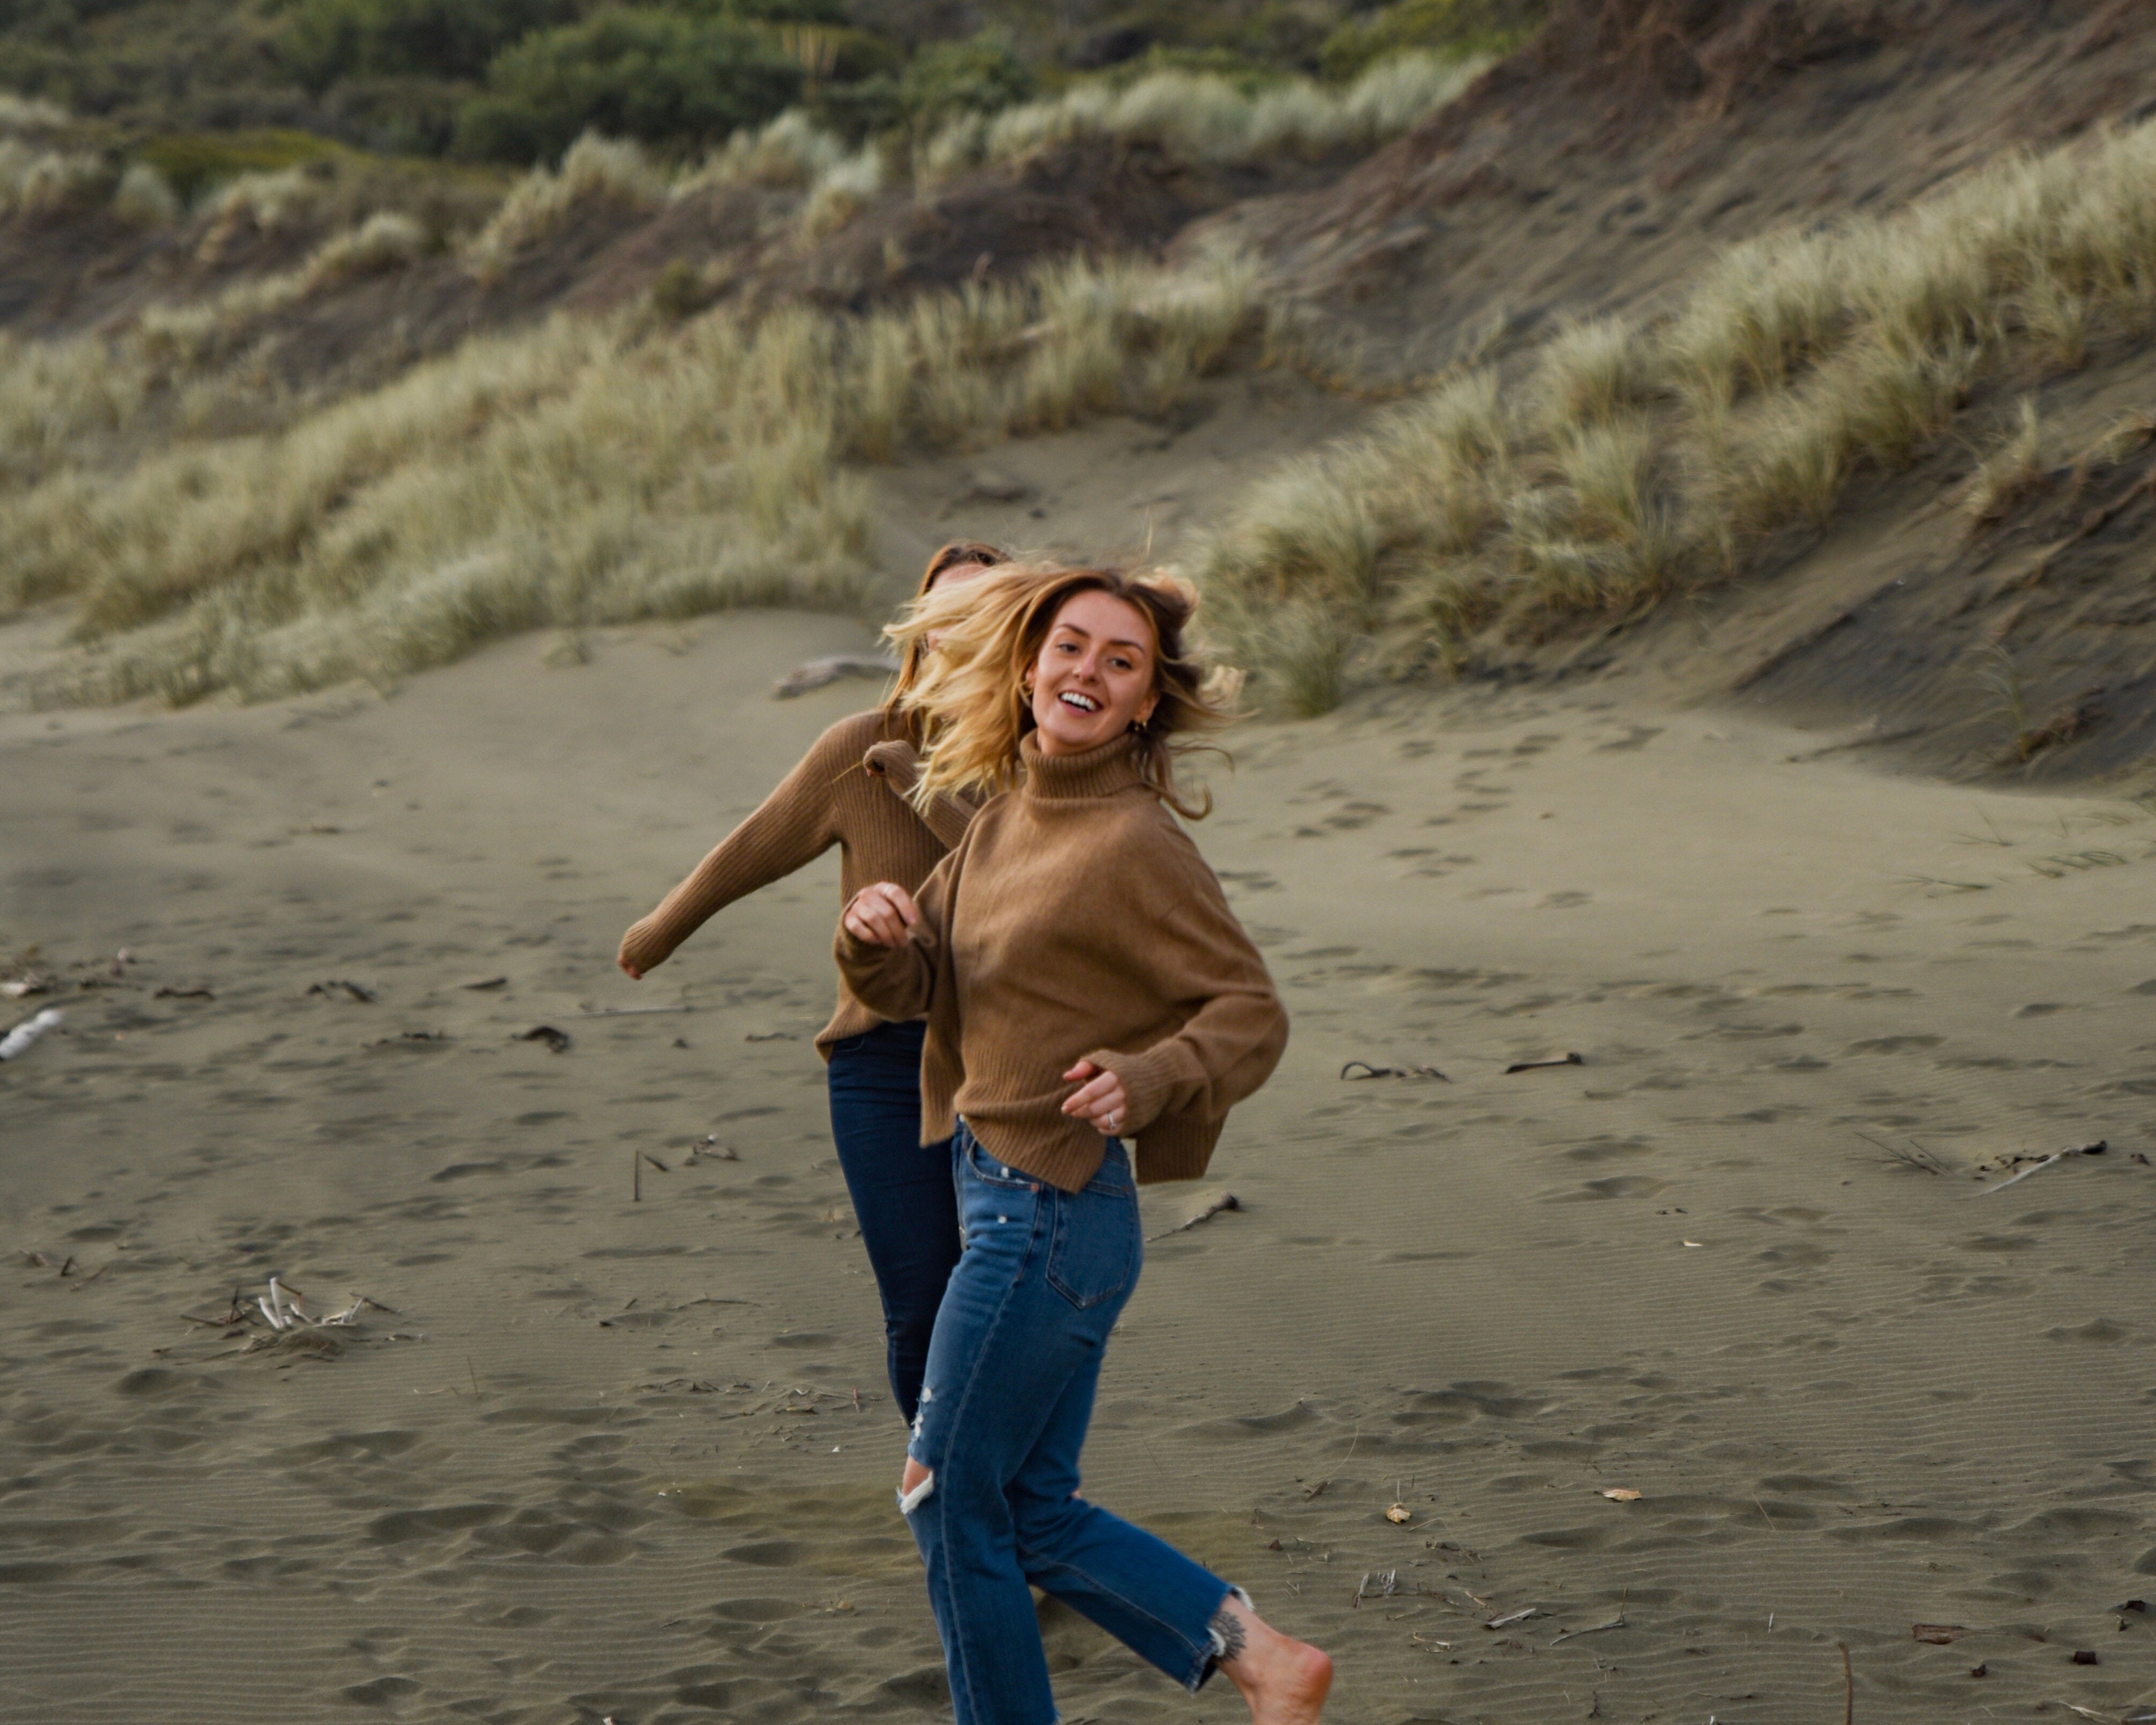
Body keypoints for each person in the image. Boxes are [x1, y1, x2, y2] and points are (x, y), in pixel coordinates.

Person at [835, 563, 1333, 1724]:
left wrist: (1153, 1076)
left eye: (1123, 662)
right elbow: (928, 989)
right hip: (1013, 1207)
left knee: (944, 1497)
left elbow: (1248, 1010)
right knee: (1024, 1507)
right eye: (1071, 647)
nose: (1089, 673)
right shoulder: (1010, 810)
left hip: (1046, 1217)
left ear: (1146, 704)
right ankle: (1260, 1657)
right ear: (1029, 665)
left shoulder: (1131, 842)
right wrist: (875, 941)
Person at [615, 541, 1004, 1428]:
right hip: (881, 1068)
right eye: (943, 615)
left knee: (999, 1306)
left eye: (984, 612)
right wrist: (659, 932)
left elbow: (1008, 871)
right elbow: (755, 844)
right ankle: (947, 1492)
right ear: (920, 634)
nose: (959, 630)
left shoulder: (1041, 760)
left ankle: (1007, 1490)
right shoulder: (861, 745)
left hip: (1006, 1067)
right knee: (921, 1306)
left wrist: (915, 780)